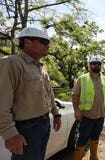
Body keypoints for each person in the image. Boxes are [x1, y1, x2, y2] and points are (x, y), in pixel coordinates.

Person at [0, 27, 62, 160]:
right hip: (25, 128)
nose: (48, 46)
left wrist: (56, 114)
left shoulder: (42, 67)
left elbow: (49, 94)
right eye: (44, 41)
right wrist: (9, 134)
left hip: (44, 123)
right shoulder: (12, 63)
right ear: (27, 42)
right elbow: (1, 102)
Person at [71, 55, 105, 160]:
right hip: (86, 116)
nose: (96, 66)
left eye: (99, 64)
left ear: (101, 66)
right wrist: (76, 110)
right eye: (94, 63)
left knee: (95, 137)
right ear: (90, 65)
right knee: (83, 139)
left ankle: (93, 157)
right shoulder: (82, 79)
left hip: (100, 115)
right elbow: (74, 95)